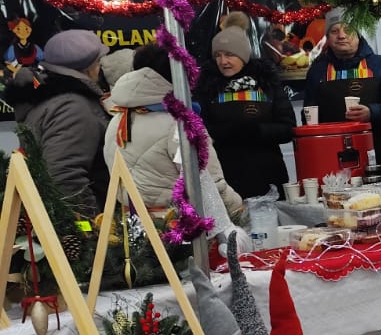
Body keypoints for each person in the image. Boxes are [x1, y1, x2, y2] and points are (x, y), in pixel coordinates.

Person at [105, 44, 244, 225]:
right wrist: (239, 210)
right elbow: (209, 184)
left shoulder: (118, 118)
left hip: (131, 227)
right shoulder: (180, 124)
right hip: (178, 231)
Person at [14, 29, 110, 216]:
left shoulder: (52, 98)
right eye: (98, 61)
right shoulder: (73, 107)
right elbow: (64, 176)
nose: (100, 68)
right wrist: (91, 228)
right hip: (86, 231)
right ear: (89, 66)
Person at [303, 7, 381, 173]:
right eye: (334, 31)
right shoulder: (317, 72)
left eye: (348, 29)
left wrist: (371, 112)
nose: (342, 36)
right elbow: (307, 115)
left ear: (359, 33)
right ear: (327, 38)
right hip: (331, 159)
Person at [196, 23, 295, 199]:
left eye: (230, 54)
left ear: (243, 55)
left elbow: (288, 128)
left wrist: (258, 131)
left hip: (267, 174)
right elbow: (199, 130)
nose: (223, 61)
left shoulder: (267, 83)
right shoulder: (207, 88)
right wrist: (226, 132)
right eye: (218, 55)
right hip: (226, 177)